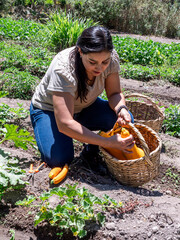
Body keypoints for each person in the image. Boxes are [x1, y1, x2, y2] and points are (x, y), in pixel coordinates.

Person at [30, 25, 135, 175]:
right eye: (92, 62)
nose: (99, 68)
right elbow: (65, 123)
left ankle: (91, 152)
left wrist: (121, 108)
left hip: (85, 106)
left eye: (104, 62)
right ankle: (95, 143)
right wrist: (109, 142)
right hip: (49, 110)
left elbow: (114, 94)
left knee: (123, 119)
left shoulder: (111, 59)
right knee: (60, 158)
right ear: (80, 51)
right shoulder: (63, 69)